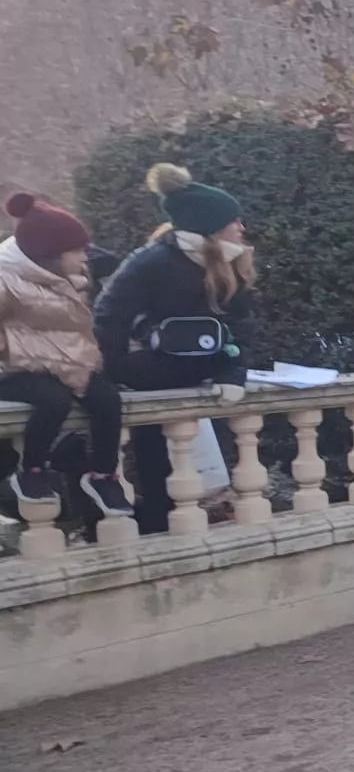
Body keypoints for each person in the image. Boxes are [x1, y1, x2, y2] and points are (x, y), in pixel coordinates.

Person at [94, 163, 259, 533]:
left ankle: (201, 510)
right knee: (154, 454)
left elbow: (241, 327)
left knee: (208, 453)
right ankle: (156, 520)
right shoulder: (151, 261)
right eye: (234, 220)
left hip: (205, 373)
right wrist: (119, 369)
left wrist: (233, 369)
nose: (242, 227)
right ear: (210, 225)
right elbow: (109, 317)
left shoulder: (234, 263)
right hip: (151, 376)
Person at [1, 192, 134, 518]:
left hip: (63, 365)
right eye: (75, 251)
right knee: (54, 400)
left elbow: (76, 334)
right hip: (13, 371)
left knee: (107, 399)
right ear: (48, 255)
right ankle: (31, 471)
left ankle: (103, 475)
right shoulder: (5, 278)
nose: (84, 258)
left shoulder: (73, 281)